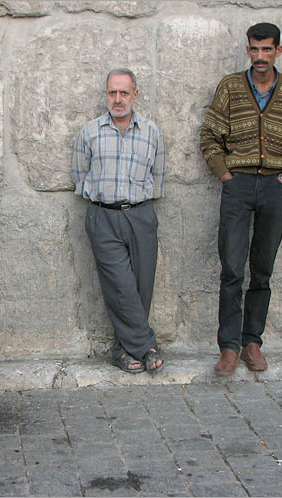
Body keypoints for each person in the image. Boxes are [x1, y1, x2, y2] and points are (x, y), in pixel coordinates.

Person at [199, 23, 282, 376]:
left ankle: (253, 342)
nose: (260, 57)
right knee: (232, 269)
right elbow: (209, 135)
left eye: (266, 50)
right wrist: (225, 174)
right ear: (247, 50)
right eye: (254, 49)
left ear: (278, 50)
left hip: (274, 187)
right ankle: (229, 348)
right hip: (238, 184)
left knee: (262, 270)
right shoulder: (232, 87)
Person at [72, 68, 167, 375]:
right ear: (106, 95)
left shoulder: (152, 132)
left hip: (140, 215)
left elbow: (159, 176)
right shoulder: (90, 131)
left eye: (124, 93)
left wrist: (143, 200)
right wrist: (95, 194)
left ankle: (122, 351)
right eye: (112, 92)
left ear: (134, 95)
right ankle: (147, 346)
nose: (117, 99)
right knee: (120, 285)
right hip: (103, 216)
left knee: (141, 287)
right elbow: (79, 174)